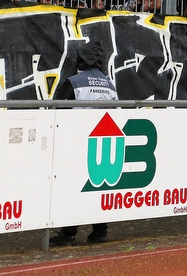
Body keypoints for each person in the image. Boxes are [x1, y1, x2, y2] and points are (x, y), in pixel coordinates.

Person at [49, 41, 117, 247]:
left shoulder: (74, 82)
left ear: (81, 59)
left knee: (72, 187)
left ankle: (68, 233)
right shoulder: (109, 84)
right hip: (102, 143)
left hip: (76, 142)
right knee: (98, 188)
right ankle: (100, 230)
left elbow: (56, 111)